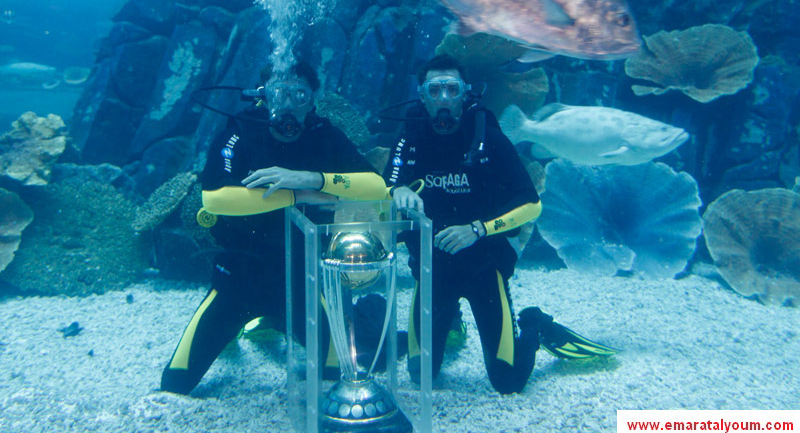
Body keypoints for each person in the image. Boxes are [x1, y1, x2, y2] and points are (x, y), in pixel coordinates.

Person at [384, 54, 615, 394]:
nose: (443, 98)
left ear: (465, 92)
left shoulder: (488, 137)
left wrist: (477, 230)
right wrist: (398, 189)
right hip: (433, 269)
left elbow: (531, 205)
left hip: (484, 267)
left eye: (452, 89)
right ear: (422, 95)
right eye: (434, 90)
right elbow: (387, 182)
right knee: (421, 377)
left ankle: (534, 325)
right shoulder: (411, 135)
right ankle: (451, 320)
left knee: (508, 381)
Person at [161, 61, 388, 395]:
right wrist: (297, 195)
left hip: (303, 281)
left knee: (339, 374)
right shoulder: (241, 131)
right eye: (279, 93)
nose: (289, 105)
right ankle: (250, 325)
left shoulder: (322, 134)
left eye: (299, 95)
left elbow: (376, 187)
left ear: (313, 99)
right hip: (237, 278)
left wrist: (312, 178)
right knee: (175, 383)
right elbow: (215, 199)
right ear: (262, 96)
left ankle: (279, 322)